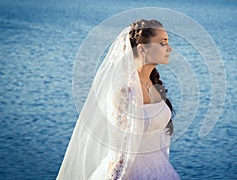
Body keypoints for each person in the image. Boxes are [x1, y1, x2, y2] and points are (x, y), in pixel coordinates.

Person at [57, 19, 181, 180]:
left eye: (168, 42)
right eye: (162, 43)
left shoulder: (154, 84)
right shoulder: (124, 91)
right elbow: (119, 150)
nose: (169, 48)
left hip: (161, 170)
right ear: (142, 49)